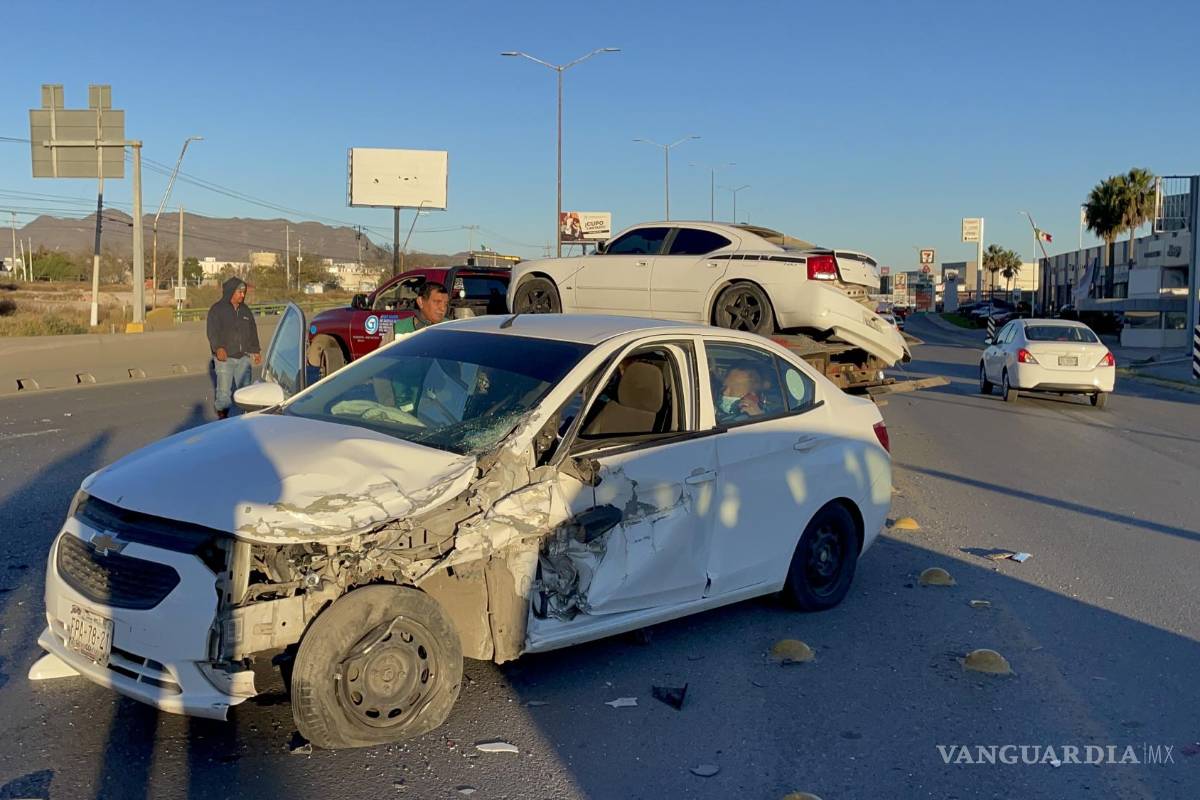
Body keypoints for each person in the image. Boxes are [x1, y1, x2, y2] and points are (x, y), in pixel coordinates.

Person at [206, 276, 261, 419]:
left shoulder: (245, 310)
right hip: (225, 358)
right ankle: (222, 419)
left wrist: (256, 350)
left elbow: (252, 329)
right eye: (239, 292)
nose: (243, 295)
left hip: (243, 357)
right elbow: (212, 331)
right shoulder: (217, 310)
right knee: (224, 394)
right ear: (231, 292)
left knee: (246, 393)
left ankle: (247, 420)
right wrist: (218, 348)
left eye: (244, 292)